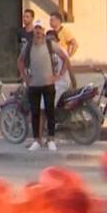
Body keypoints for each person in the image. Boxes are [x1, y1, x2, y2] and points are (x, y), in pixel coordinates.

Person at [17, 19, 70, 152]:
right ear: (34, 30)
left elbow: (65, 58)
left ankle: (51, 139)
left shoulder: (50, 45)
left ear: (43, 31)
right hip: (34, 85)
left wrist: (59, 75)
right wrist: (25, 77)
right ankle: (37, 140)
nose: (38, 31)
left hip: (48, 84)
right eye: (36, 29)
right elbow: (20, 61)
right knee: (35, 113)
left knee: (50, 112)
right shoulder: (28, 46)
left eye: (40, 29)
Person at [48, 12, 78, 88]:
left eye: (52, 20)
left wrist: (69, 55)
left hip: (62, 59)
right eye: (50, 20)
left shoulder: (65, 31)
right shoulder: (51, 33)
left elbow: (75, 44)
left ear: (58, 21)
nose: (50, 22)